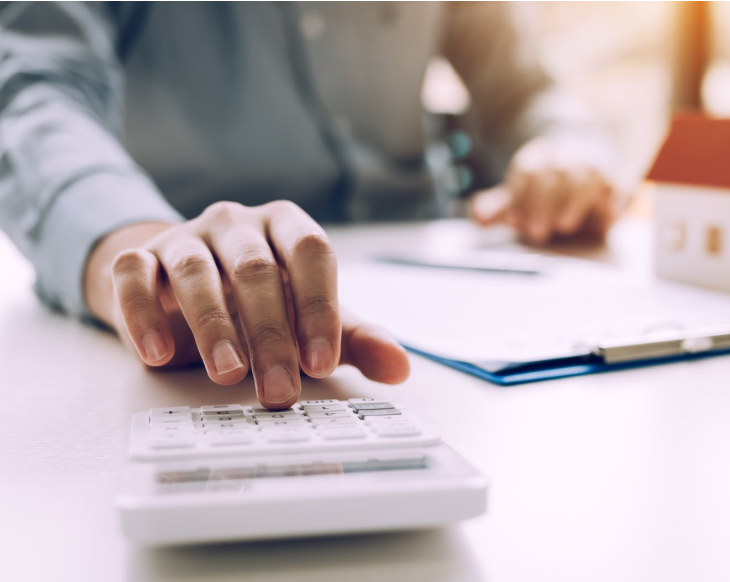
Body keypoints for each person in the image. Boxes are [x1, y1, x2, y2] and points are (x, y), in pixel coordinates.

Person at [0, 2, 620, 409]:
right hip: (216, 318)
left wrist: (565, 149)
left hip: (450, 291)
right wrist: (137, 245)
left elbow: (523, 88)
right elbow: (34, 95)